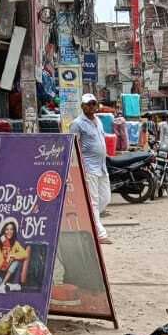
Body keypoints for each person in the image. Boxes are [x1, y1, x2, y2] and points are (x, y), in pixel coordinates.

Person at [69, 94, 111, 244]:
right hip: (88, 167)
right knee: (93, 201)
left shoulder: (98, 121)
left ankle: (89, 220)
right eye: (89, 104)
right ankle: (100, 233)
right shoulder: (77, 124)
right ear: (83, 106)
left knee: (105, 198)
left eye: (94, 103)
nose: (92, 106)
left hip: (102, 166)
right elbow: (73, 147)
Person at [0, 220, 30, 291]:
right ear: (4, 231)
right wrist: (4, 258)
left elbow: (25, 254)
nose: (9, 231)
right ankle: (7, 286)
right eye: (7, 229)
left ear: (14, 231)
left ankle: (3, 284)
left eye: (11, 229)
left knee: (16, 261)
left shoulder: (15, 244)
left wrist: (12, 255)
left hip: (8, 273)